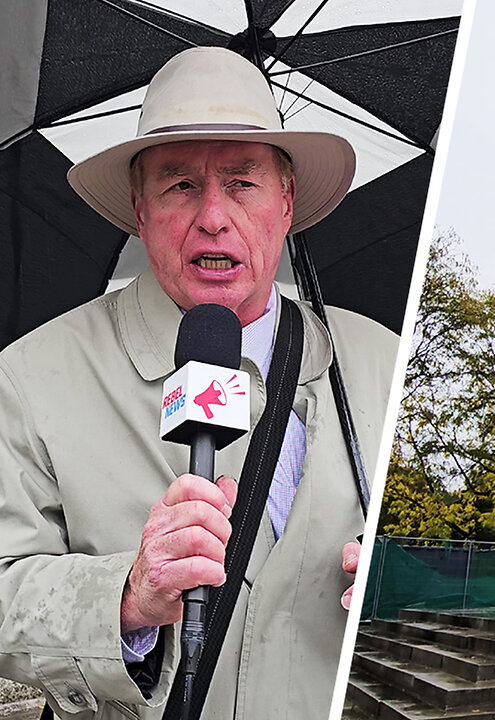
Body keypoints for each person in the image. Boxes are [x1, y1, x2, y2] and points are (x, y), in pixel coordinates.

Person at [0, 47, 397, 719]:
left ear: (287, 201)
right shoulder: (30, 376)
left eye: (243, 182)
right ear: (139, 206)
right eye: (179, 185)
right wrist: (124, 598)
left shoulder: (382, 359)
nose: (213, 216)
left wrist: (397, 571)